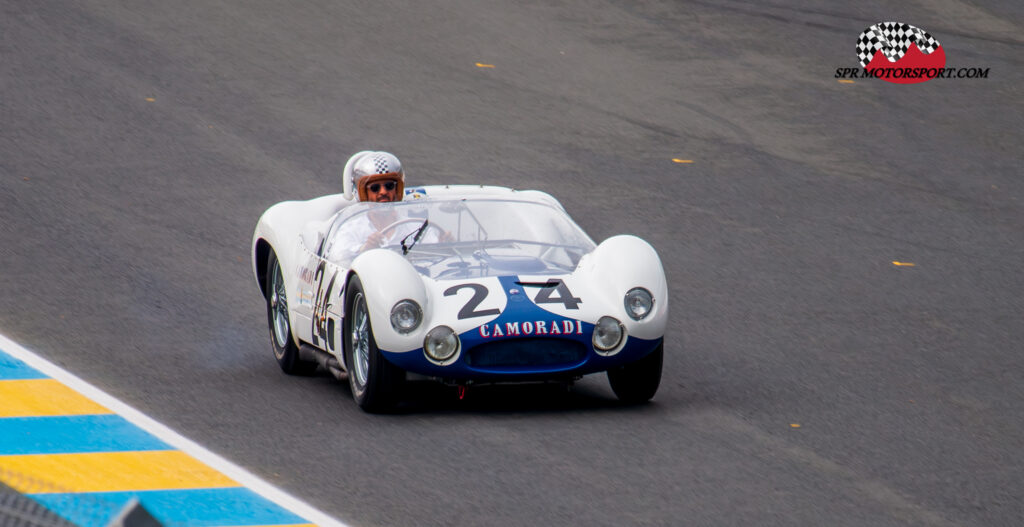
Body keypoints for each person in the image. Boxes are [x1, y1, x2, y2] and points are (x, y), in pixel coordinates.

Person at [330, 151, 446, 259]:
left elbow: (435, 256)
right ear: (362, 193)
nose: (383, 192)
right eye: (375, 188)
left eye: (389, 186)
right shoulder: (351, 229)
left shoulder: (416, 227)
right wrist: (365, 248)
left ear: (397, 190)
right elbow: (338, 257)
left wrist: (445, 245)